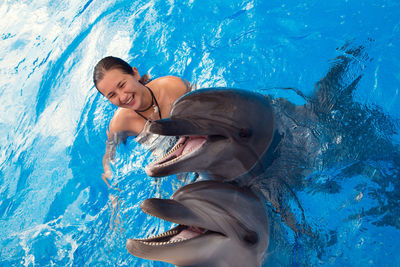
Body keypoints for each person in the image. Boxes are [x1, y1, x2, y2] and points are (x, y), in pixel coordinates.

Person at [93, 56, 190, 186]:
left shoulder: (173, 87)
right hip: (169, 159)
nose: (122, 97)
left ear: (135, 73)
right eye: (112, 95)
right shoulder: (120, 124)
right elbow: (109, 158)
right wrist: (112, 189)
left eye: (122, 85)